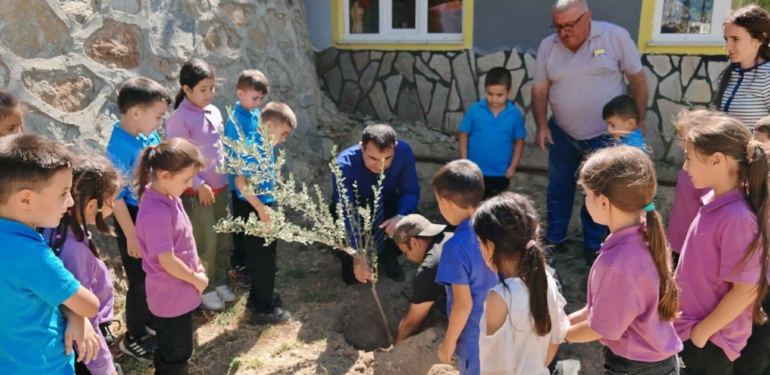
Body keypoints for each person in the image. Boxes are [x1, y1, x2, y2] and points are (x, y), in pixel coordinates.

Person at [532, 0, 647, 265]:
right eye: (558, 26)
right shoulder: (547, 46)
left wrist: (637, 121)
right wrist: (540, 126)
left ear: (588, 18)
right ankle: (555, 238)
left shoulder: (614, 36)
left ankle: (594, 244)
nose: (563, 32)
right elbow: (539, 90)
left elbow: (637, 79)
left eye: (570, 25)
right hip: (562, 133)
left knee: (598, 192)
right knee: (558, 188)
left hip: (606, 137)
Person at [566, 146, 682, 374]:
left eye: (586, 194)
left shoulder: (617, 263)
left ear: (603, 202)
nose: (585, 200)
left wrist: (560, 335)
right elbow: (597, 309)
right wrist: (564, 321)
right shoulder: (647, 234)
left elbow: (602, 328)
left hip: (635, 368)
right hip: (658, 361)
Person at [675, 111, 770, 374]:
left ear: (717, 160)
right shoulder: (714, 204)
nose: (684, 167)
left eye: (688, 158)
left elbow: (746, 291)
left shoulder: (737, 219)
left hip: (709, 344)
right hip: (693, 334)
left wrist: (701, 334)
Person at [0, 134, 101, 375]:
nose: (69, 202)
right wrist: (79, 315)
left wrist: (72, 313)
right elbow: (89, 305)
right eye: (63, 193)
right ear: (25, 199)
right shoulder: (31, 255)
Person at [106, 77, 171, 361]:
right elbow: (117, 198)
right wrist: (131, 235)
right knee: (139, 279)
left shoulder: (145, 135)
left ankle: (150, 319)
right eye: (157, 117)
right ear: (136, 113)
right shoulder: (119, 147)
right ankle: (134, 335)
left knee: (154, 271)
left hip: (151, 212)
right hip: (132, 219)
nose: (159, 123)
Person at [42, 155, 122, 375]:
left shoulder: (55, 228)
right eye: (111, 200)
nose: (113, 206)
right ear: (91, 206)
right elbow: (86, 322)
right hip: (88, 352)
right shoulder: (75, 254)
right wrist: (105, 369)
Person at [133, 138, 207, 375]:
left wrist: (198, 268)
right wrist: (196, 279)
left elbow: (182, 242)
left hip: (179, 293)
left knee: (170, 350)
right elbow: (167, 260)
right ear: (164, 176)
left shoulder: (169, 197)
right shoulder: (155, 212)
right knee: (176, 355)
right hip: (171, 297)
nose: (189, 185)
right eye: (186, 180)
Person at [474, 192, 570, 375]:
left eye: (479, 242)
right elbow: (555, 340)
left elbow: (492, 368)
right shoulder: (548, 281)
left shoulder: (499, 297)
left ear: (490, 246)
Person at [166, 59, 233, 311]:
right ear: (187, 89)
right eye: (203, 89)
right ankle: (205, 287)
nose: (209, 94)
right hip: (198, 193)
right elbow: (178, 158)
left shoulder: (214, 111)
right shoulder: (178, 119)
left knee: (223, 240)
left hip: (221, 189)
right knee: (205, 242)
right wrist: (197, 183)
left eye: (212, 88)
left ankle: (220, 281)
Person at [224, 100, 297, 325]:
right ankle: (262, 310)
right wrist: (261, 210)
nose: (283, 139)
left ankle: (259, 298)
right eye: (283, 133)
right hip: (255, 207)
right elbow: (240, 181)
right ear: (269, 125)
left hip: (261, 205)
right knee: (263, 260)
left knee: (266, 256)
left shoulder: (263, 143)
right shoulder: (255, 145)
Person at [332, 124, 420, 285]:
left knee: (413, 219)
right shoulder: (343, 165)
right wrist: (357, 255)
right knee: (335, 223)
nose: (380, 165)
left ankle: (389, 255)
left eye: (387, 158)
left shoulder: (404, 152)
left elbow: (410, 192)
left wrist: (400, 217)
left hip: (387, 204)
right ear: (362, 147)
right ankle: (348, 260)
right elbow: (346, 211)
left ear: (395, 147)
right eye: (373, 158)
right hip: (355, 208)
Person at [433, 160, 497, 375]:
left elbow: (463, 304)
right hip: (507, 332)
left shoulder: (455, 246)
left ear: (447, 202)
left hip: (475, 339)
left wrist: (448, 342)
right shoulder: (499, 229)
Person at [228, 69, 270, 289]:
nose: (257, 103)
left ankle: (257, 263)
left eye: (261, 99)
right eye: (255, 98)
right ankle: (240, 265)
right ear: (240, 93)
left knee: (252, 225)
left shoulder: (254, 114)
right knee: (243, 227)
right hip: (241, 185)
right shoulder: (235, 121)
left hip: (254, 184)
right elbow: (236, 155)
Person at [458, 67, 526, 199]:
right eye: (490, 94)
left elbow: (519, 141)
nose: (494, 99)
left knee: (495, 211)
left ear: (509, 92)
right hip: (474, 172)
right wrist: (464, 161)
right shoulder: (475, 110)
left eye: (500, 95)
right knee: (473, 207)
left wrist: (512, 166)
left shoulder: (514, 114)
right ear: (485, 90)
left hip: (501, 174)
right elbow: (463, 134)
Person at [391, 214, 452, 344]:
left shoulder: (429, 268)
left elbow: (411, 323)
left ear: (414, 242)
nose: (408, 258)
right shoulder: (449, 237)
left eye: (406, 252)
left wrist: (395, 348)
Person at [715, 5, 770, 130]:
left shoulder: (767, 76)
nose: (728, 47)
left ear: (760, 39)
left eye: (735, 39)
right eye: (726, 39)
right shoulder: (728, 75)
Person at [667, 111, 711, 260]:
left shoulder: (707, 171)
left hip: (693, 244)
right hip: (677, 239)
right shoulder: (689, 164)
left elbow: (707, 210)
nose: (681, 144)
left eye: (684, 138)